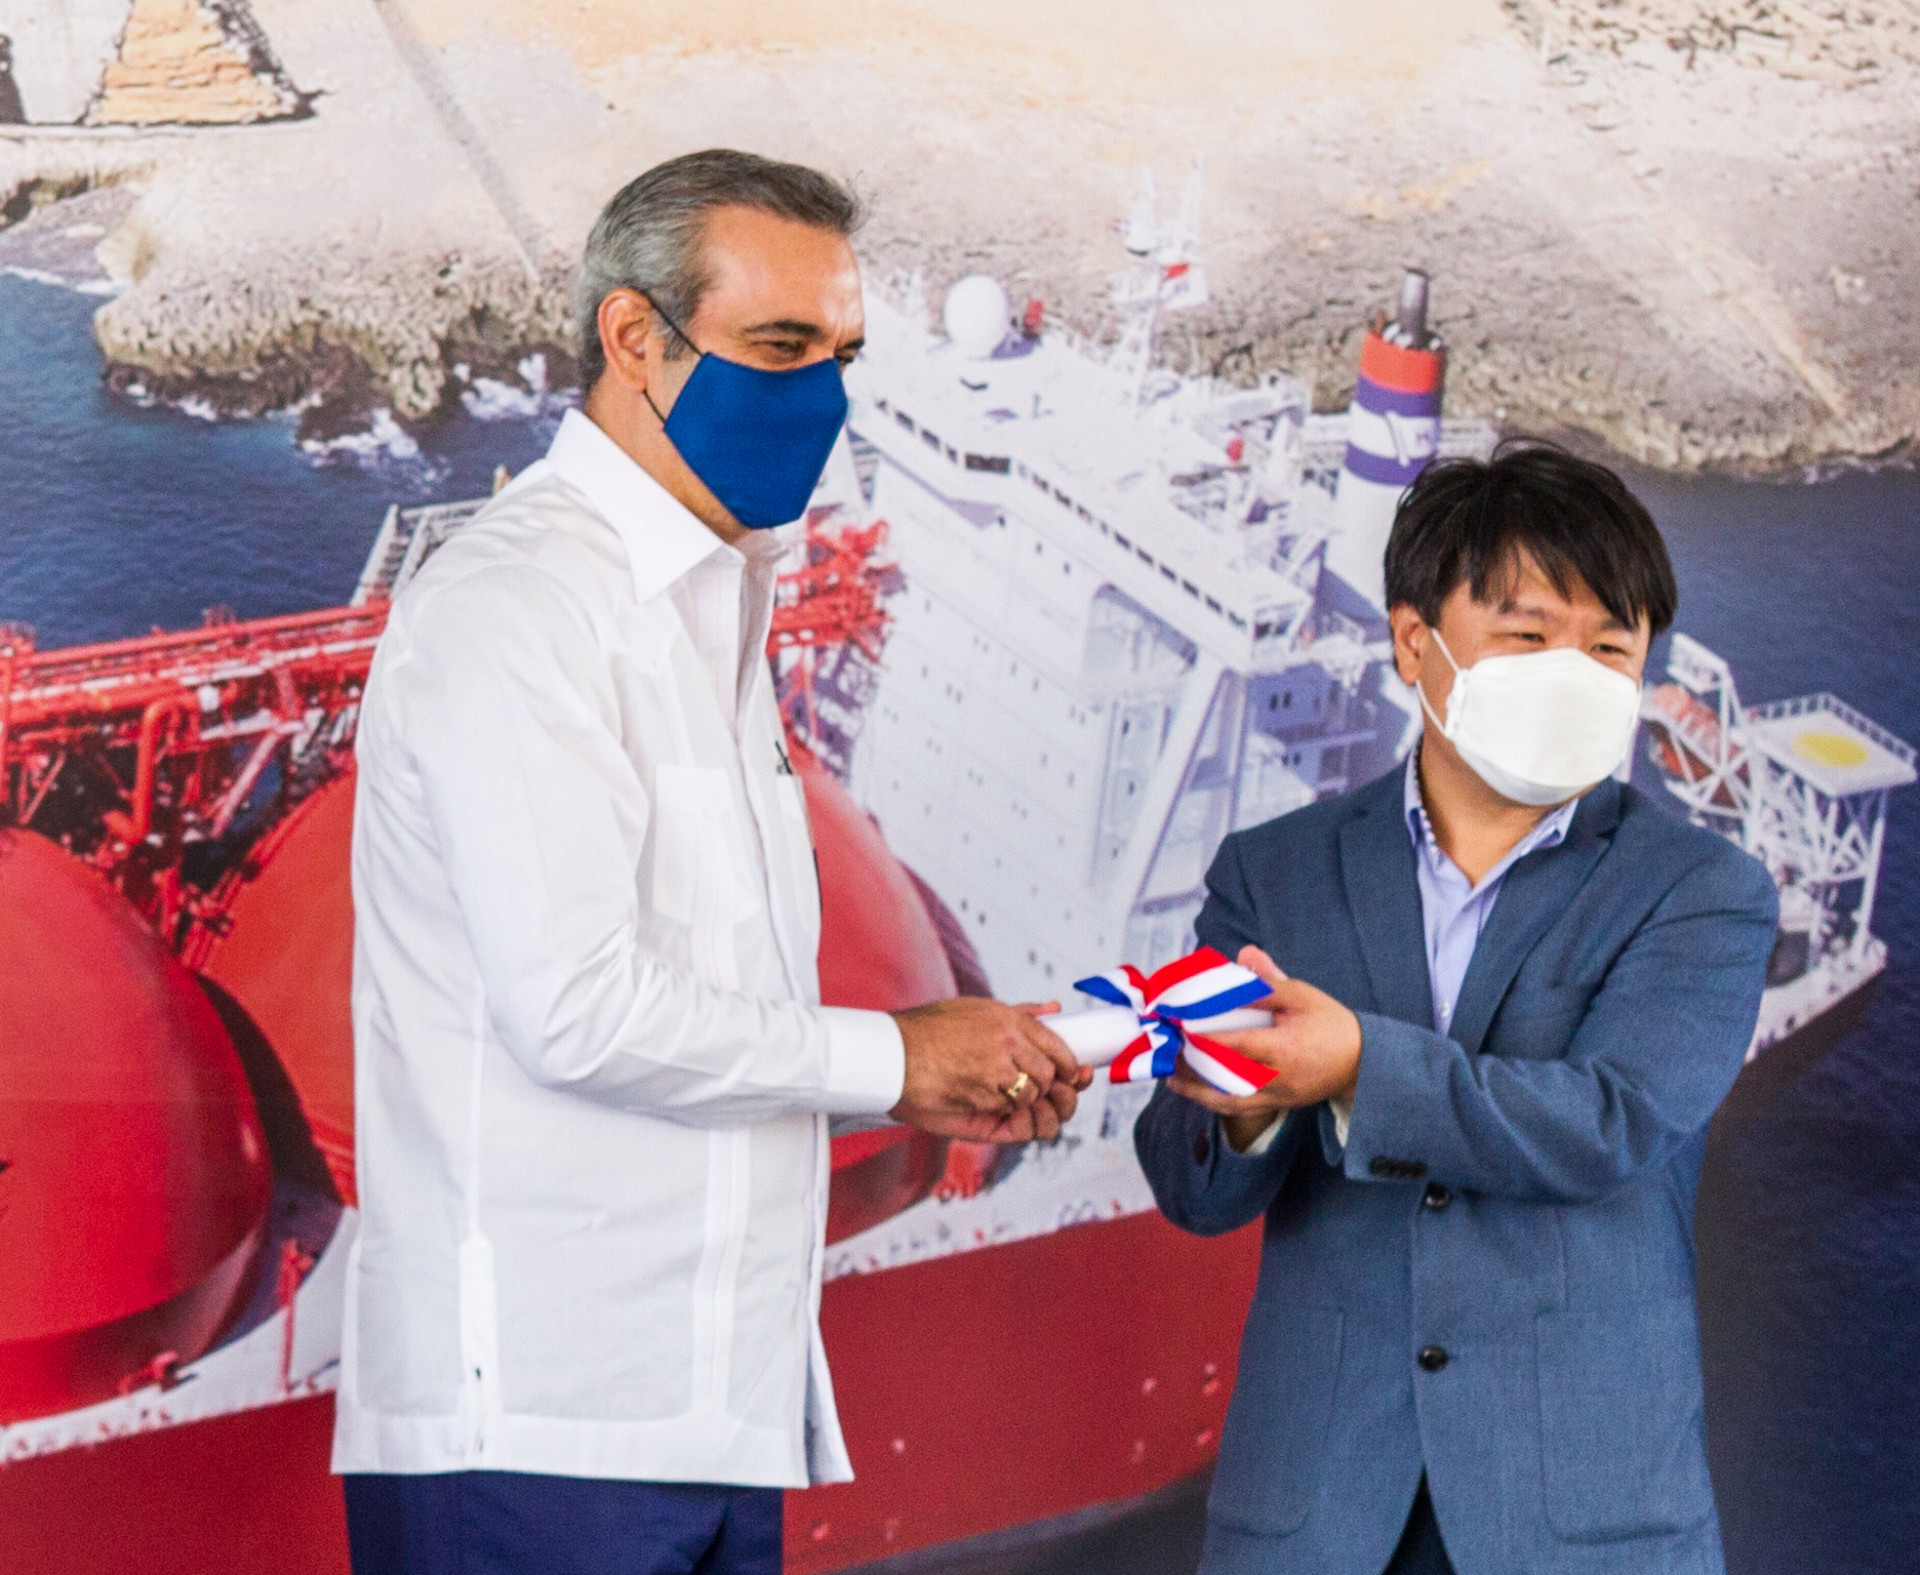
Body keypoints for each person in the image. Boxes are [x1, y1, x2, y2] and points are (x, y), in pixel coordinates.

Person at [335, 150, 1088, 1575]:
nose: (822, 398)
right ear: (635, 337)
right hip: (539, 1431)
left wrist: (970, 1058)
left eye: (841, 356)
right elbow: (575, 1007)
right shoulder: (520, 606)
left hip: (713, 1413)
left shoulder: (715, 598)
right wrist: (900, 1060)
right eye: (781, 347)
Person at [1136, 443, 1777, 1575]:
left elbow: (1609, 1123)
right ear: (1412, 642)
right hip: (1317, 1517)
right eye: (1528, 637)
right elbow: (1190, 1185)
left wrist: (1350, 1069)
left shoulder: (1703, 892)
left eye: (1610, 649)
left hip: (1582, 1524)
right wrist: (1248, 1104)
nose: (1571, 674)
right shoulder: (1273, 873)